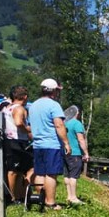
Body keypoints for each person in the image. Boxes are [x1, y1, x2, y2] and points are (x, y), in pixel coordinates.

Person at [29, 78, 70, 210]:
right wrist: (66, 143)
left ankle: (40, 199)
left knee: (40, 173)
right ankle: (50, 202)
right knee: (51, 174)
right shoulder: (54, 105)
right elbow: (59, 125)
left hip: (37, 144)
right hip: (52, 144)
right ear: (54, 91)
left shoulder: (33, 105)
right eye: (57, 90)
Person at [2, 86, 33, 202]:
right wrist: (28, 130)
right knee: (14, 170)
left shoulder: (7, 108)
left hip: (9, 140)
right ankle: (13, 197)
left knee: (19, 170)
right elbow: (19, 123)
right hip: (16, 141)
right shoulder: (19, 109)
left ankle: (18, 196)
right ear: (25, 97)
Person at [62, 105, 89, 206]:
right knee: (73, 175)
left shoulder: (65, 124)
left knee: (67, 175)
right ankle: (73, 197)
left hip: (65, 152)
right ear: (77, 113)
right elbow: (81, 139)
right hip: (75, 153)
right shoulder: (77, 124)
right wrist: (86, 153)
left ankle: (69, 196)